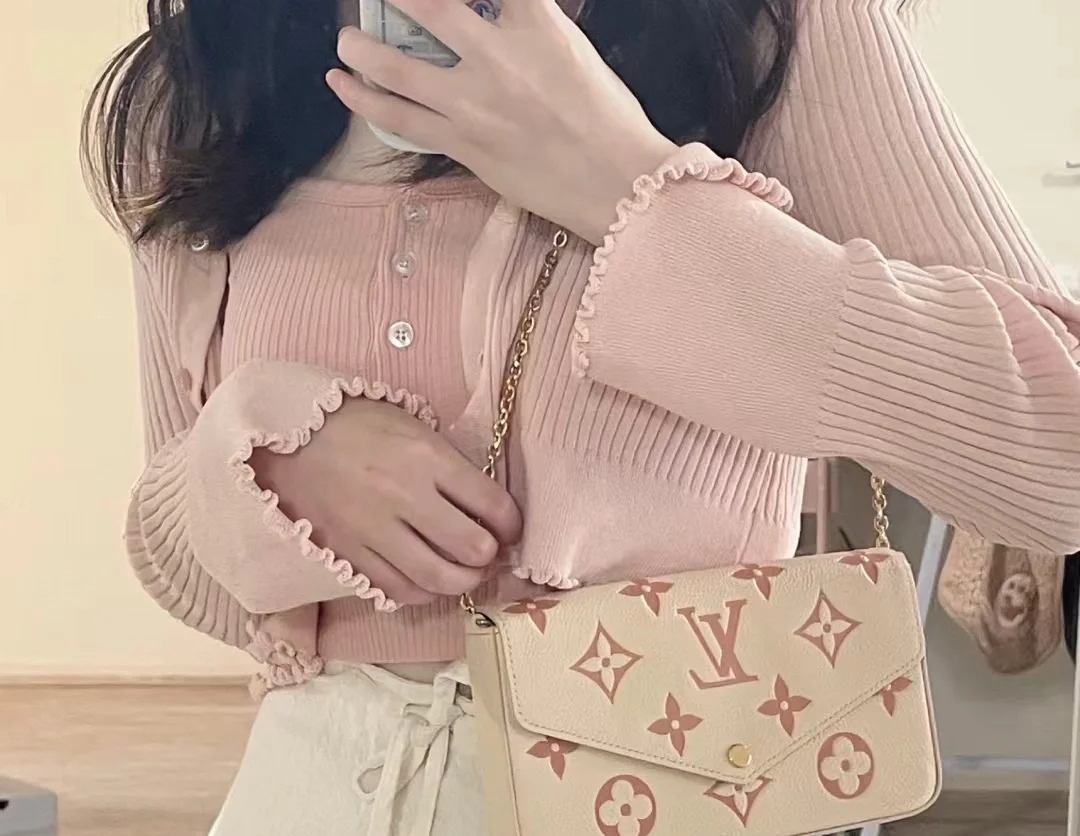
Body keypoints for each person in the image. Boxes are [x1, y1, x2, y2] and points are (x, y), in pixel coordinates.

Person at [83, 0, 1080, 833]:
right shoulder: (200, 80)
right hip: (308, 790)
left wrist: (632, 190)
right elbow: (181, 562)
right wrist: (259, 456)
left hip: (680, 777)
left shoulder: (766, 27)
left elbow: (1059, 451)